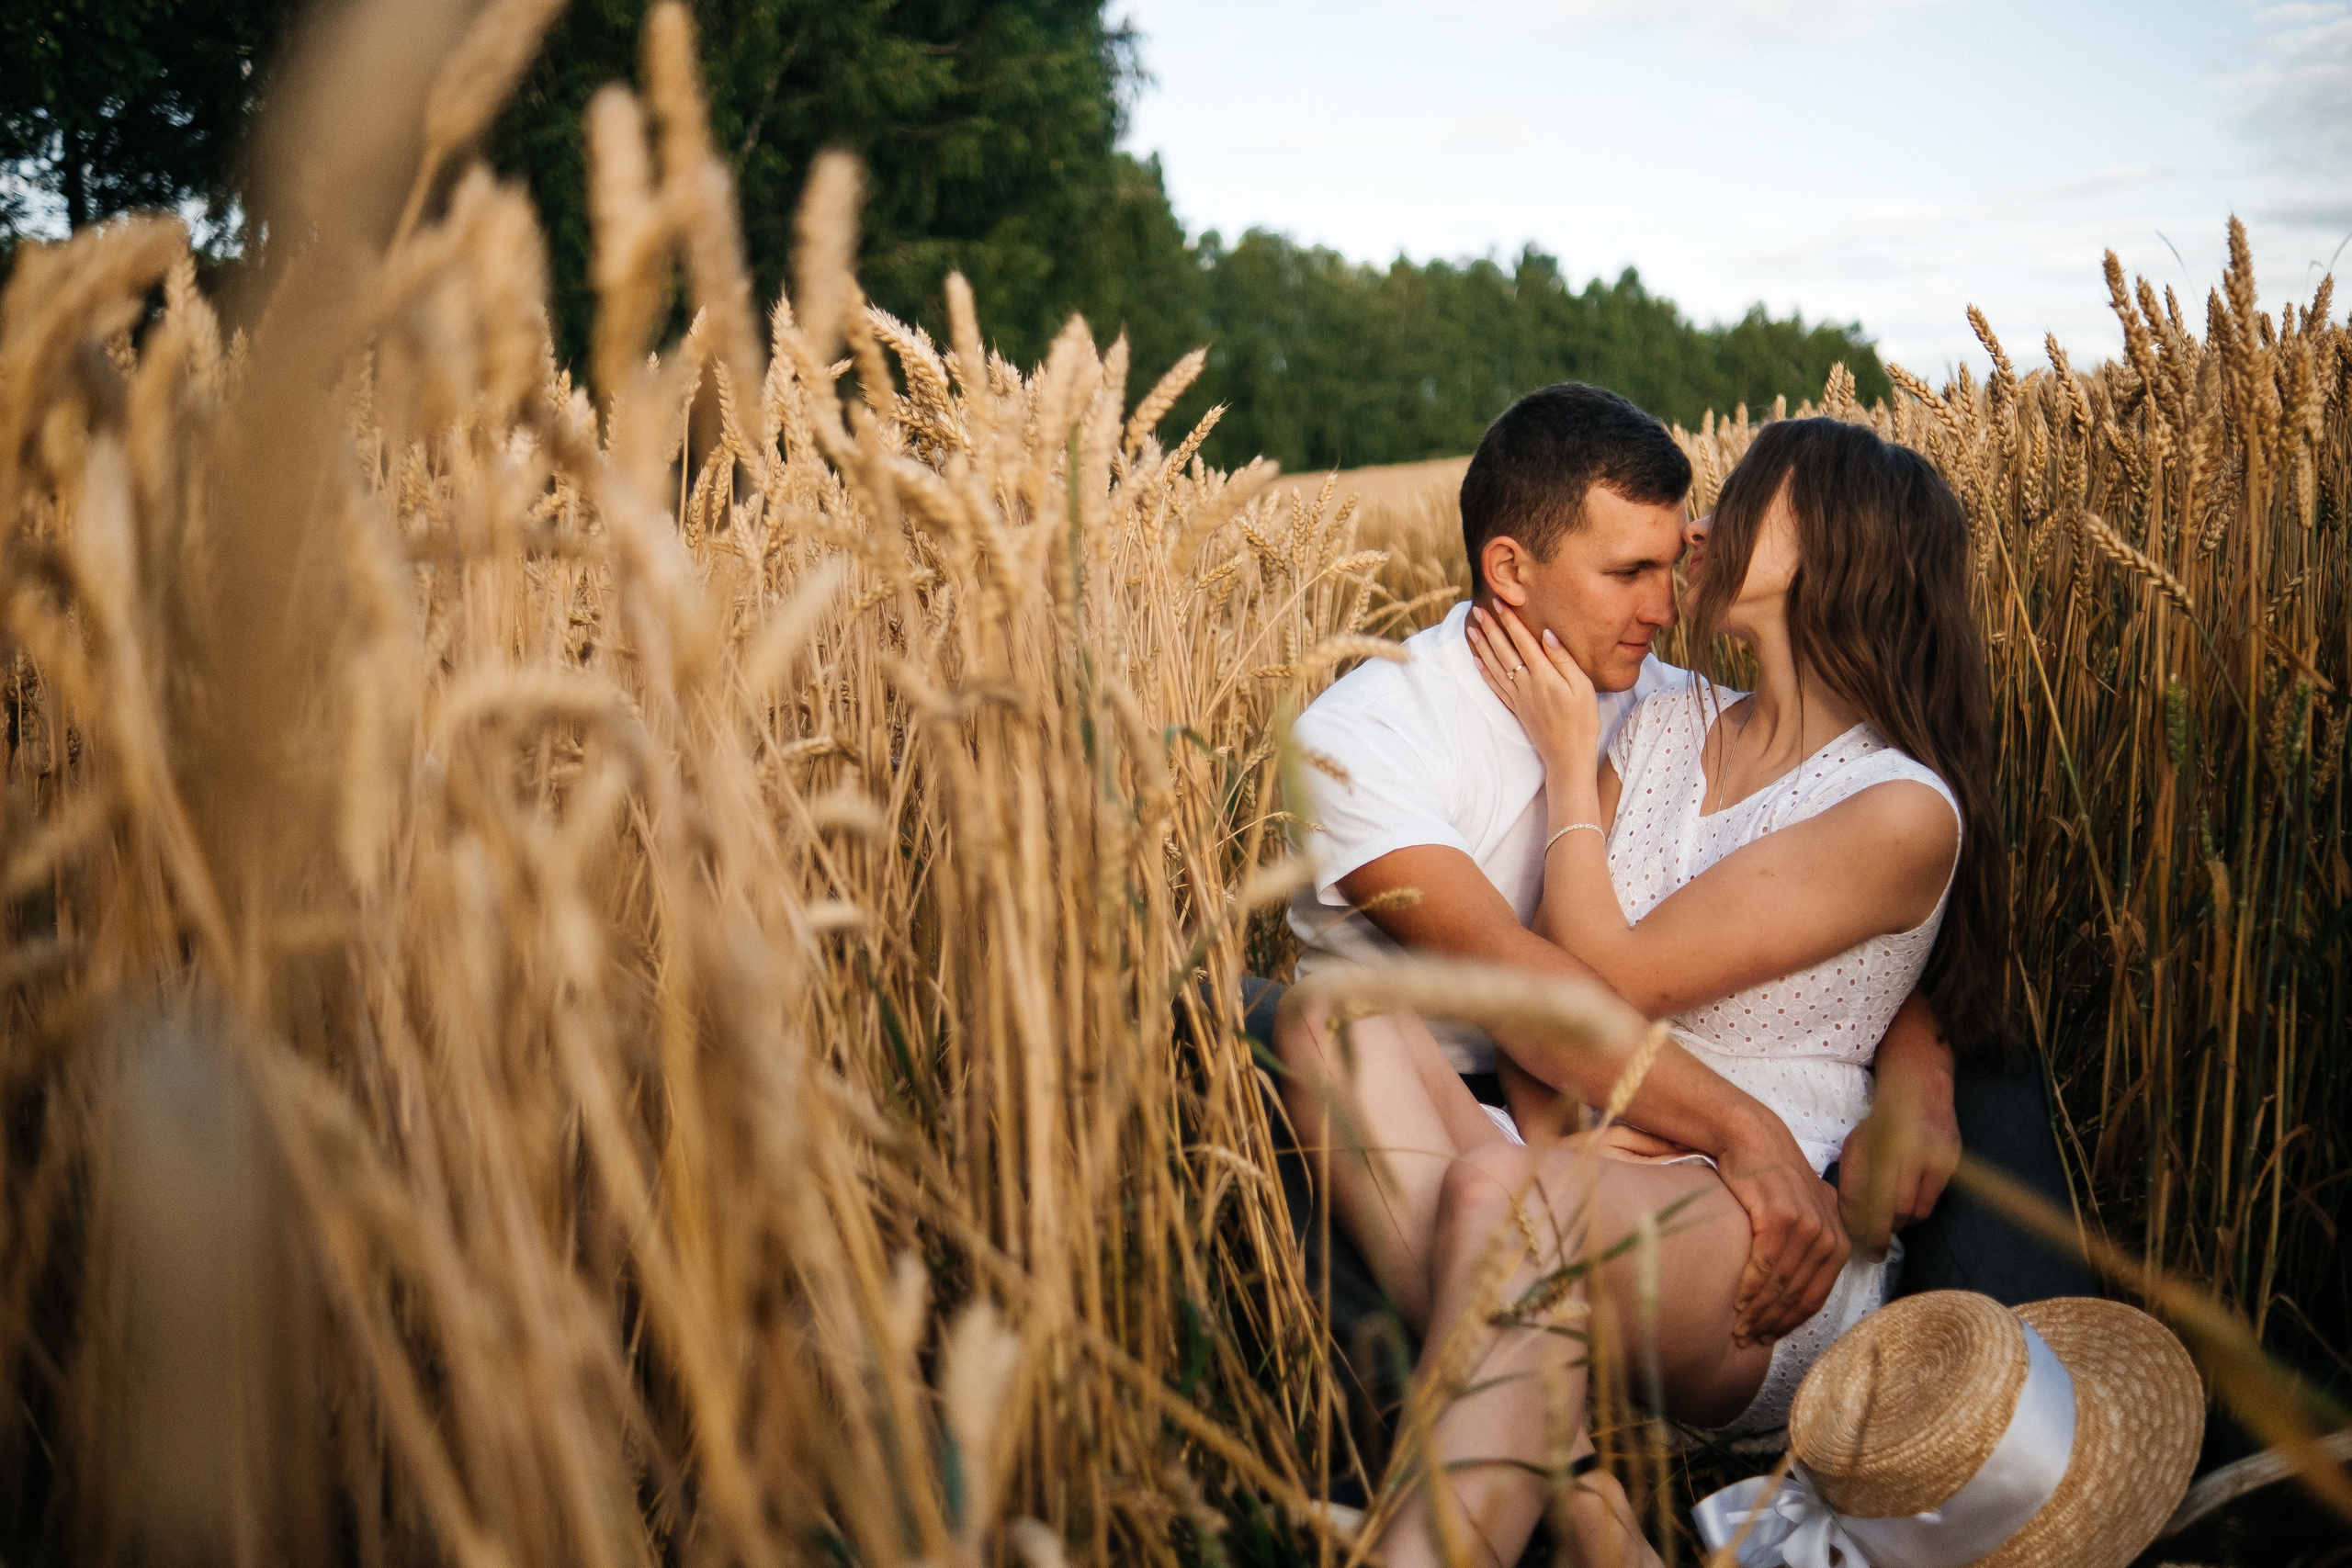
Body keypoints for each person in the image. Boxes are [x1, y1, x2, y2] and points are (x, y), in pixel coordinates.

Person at [1276, 412, 2009, 1566]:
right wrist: (1577, 1140)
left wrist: (1916, 1068)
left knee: (1509, 1198)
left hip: (1757, 1231)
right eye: (1635, 567)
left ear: (1831, 555)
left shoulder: (1871, 794)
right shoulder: (1614, 722)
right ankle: (1584, 1494)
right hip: (1563, 1142)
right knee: (1328, 1018)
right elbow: (1541, 994)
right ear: (1511, 570)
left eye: (1731, 510)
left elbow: (1617, 976)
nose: (1688, 559)